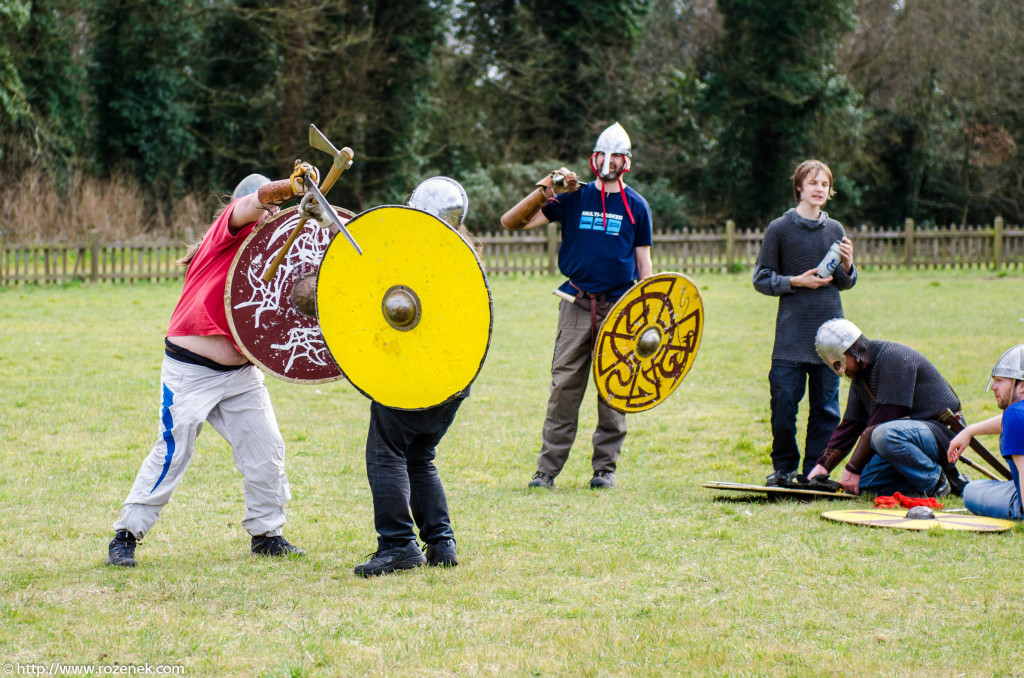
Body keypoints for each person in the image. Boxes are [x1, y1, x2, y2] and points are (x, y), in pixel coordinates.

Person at [105, 165, 319, 567]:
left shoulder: (270, 261)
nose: (271, 222)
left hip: (241, 375)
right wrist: (288, 189)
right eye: (269, 214)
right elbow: (251, 205)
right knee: (174, 450)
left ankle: (266, 533)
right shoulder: (226, 233)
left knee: (266, 448)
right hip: (191, 370)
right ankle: (126, 535)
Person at [500, 122, 653, 490]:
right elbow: (513, 223)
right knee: (564, 388)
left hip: (619, 307)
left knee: (614, 389)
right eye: (604, 154)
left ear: (626, 162)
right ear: (593, 158)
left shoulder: (637, 206)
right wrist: (546, 187)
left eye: (617, 155)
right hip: (576, 303)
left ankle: (605, 469)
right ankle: (546, 471)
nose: (609, 161)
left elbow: (644, 264)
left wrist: (648, 311)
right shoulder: (572, 198)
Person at [354, 177, 477, 576]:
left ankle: (398, 544)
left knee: (385, 453)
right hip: (455, 381)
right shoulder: (465, 255)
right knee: (420, 457)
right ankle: (441, 543)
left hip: (415, 373)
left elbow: (368, 263)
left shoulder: (421, 257)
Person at [752, 160, 857, 486]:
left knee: (825, 409)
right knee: (783, 406)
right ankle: (783, 469)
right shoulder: (779, 229)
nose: (818, 189)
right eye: (812, 183)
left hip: (830, 334)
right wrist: (796, 281)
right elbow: (761, 278)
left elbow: (844, 282)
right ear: (799, 187)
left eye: (824, 184)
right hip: (791, 334)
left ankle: (815, 472)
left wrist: (849, 265)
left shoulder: (835, 229)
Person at [808, 318, 968, 497]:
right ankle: (944, 478)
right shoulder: (860, 377)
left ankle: (936, 481)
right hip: (906, 437)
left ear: (852, 351)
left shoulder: (894, 359)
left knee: (883, 434)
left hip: (944, 433)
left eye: (839, 363)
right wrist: (822, 466)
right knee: (864, 485)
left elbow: (881, 423)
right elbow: (851, 425)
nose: (841, 371)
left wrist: (852, 467)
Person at [947, 345, 1024, 520]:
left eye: (1000, 380)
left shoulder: (1014, 415)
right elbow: (1006, 422)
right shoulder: (1016, 414)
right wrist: (969, 431)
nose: (993, 387)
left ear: (1022, 386)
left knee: (971, 491)